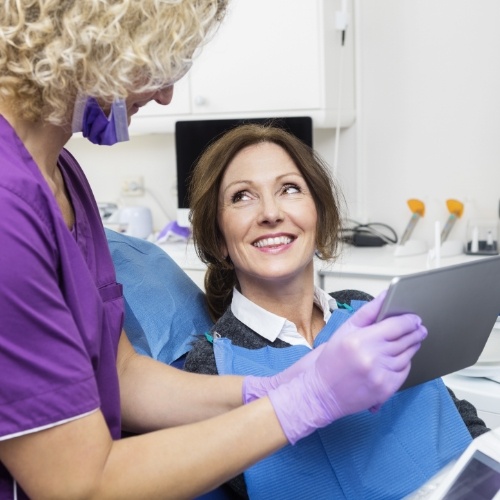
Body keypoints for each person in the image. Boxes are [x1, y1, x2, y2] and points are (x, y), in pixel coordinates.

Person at [0, 2, 429, 498]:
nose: (165, 95)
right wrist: (305, 401)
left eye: (290, 189)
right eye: (156, 65)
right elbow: (78, 485)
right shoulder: (9, 207)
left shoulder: (64, 174)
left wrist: (280, 383)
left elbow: (123, 375)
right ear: (98, 45)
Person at [184, 123, 489, 499]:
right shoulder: (209, 367)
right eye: (242, 196)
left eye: (290, 189)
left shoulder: (367, 307)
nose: (270, 212)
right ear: (218, 238)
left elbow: (454, 414)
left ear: (320, 216)